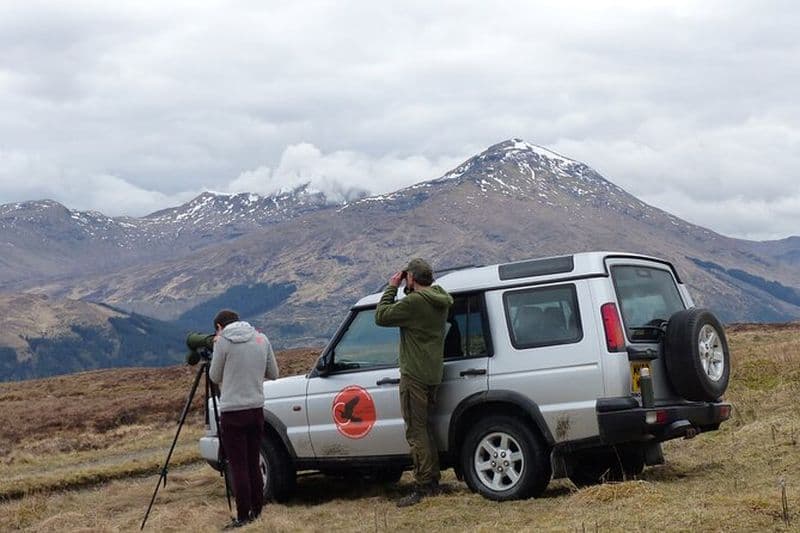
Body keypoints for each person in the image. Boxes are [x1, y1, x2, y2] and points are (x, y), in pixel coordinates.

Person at [375, 258, 454, 507]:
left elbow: (381, 315)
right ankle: (433, 480)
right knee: (426, 429)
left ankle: (424, 485)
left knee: (416, 431)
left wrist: (391, 287)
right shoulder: (440, 299)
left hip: (415, 376)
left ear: (411, 278)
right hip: (432, 373)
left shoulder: (414, 303)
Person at [209, 309, 279, 528]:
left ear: (219, 327)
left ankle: (242, 516)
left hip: (232, 411)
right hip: (256, 408)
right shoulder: (261, 338)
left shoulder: (222, 342)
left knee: (238, 466)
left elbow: (214, 376)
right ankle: (257, 511)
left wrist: (216, 346)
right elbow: (274, 373)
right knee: (253, 462)